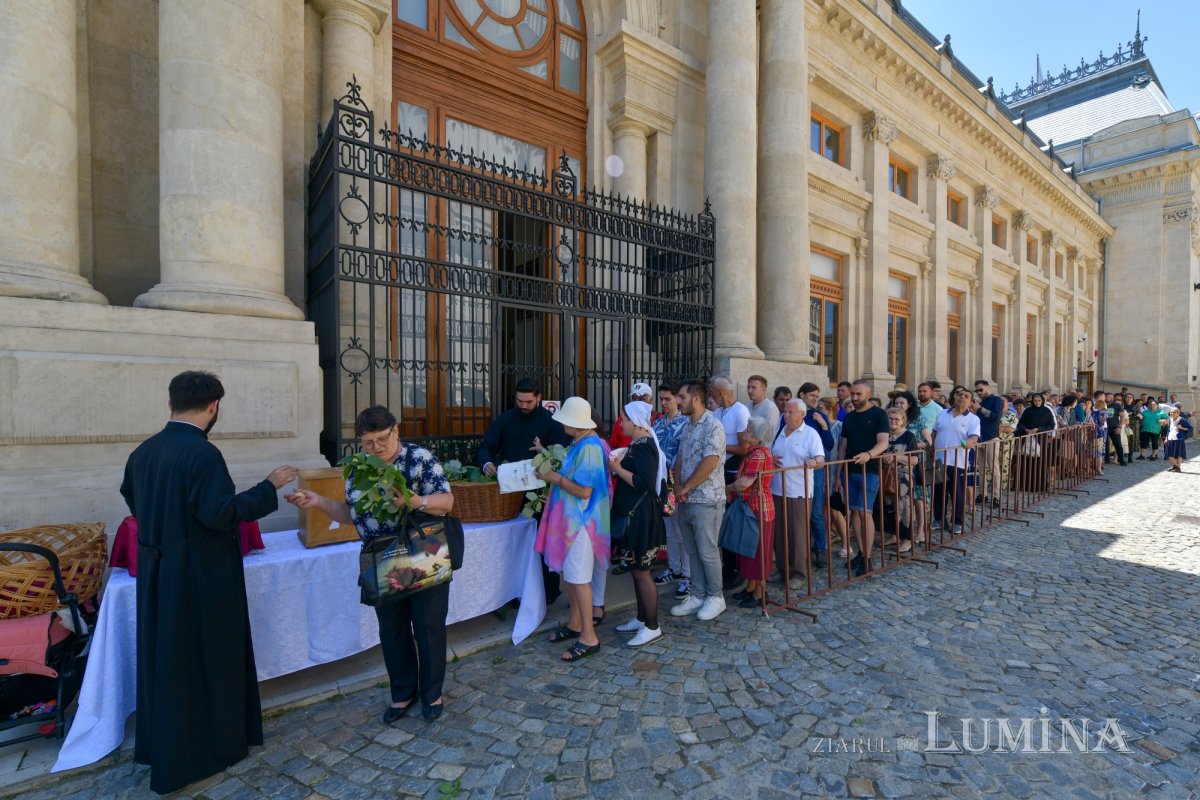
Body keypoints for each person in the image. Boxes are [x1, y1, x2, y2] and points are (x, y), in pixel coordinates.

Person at [121, 371, 298, 794]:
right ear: (214, 406)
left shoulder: (144, 451)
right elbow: (220, 514)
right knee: (205, 660)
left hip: (157, 574)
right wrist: (269, 486)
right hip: (198, 577)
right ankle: (203, 753)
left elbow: (134, 499)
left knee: (167, 663)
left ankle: (165, 750)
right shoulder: (202, 454)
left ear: (170, 405)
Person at [288, 406, 454, 723]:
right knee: (391, 631)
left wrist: (414, 501)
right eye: (367, 442)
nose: (376, 447)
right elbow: (352, 516)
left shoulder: (419, 458)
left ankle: (432, 693)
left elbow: (447, 502)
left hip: (423, 552)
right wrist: (319, 502)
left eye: (381, 439)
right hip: (381, 558)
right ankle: (403, 693)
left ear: (396, 431)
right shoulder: (358, 469)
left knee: (428, 627)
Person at [477, 378, 572, 604]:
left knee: (542, 544)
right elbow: (485, 446)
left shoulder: (552, 422)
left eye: (528, 401)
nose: (523, 405)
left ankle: (547, 592)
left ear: (539, 398)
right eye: (519, 400)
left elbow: (563, 457)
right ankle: (513, 592)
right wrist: (486, 463)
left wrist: (544, 452)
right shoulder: (505, 419)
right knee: (512, 545)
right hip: (509, 495)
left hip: (541, 495)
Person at [534, 397, 611, 661]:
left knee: (579, 579)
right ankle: (576, 624)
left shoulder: (589, 447)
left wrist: (553, 477)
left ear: (575, 424)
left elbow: (583, 491)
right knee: (572, 577)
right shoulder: (581, 442)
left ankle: (589, 637)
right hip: (574, 523)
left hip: (582, 524)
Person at [609, 401, 667, 646]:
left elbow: (644, 482)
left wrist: (617, 469)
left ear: (634, 421)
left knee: (643, 572)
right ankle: (642, 618)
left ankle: (653, 625)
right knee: (636, 570)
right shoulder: (637, 444)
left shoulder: (644, 446)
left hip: (642, 517)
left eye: (623, 419)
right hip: (636, 516)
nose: (621, 424)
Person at [670, 380, 728, 622]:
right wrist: (677, 487)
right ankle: (698, 593)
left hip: (707, 499)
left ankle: (716, 596)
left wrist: (687, 486)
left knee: (707, 550)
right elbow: (681, 457)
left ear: (695, 398)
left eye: (681, 397)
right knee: (692, 550)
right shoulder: (688, 426)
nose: (678, 401)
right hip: (686, 498)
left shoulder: (713, 426)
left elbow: (710, 461)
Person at [770, 399, 825, 591]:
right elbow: (772, 453)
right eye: (785, 412)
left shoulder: (810, 434)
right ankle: (783, 569)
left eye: (790, 412)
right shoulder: (780, 431)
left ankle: (799, 573)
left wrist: (813, 462)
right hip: (777, 489)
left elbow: (820, 459)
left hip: (798, 492)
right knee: (780, 534)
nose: (786, 415)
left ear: (802, 414)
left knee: (798, 535)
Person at [838, 381, 890, 576]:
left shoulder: (879, 414)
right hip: (849, 471)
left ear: (868, 393)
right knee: (854, 512)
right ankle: (860, 552)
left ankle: (867, 558)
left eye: (859, 394)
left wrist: (868, 455)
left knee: (864, 512)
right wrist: (837, 474)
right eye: (853, 394)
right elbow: (843, 446)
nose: (855, 397)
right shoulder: (849, 418)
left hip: (870, 470)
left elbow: (883, 442)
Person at [726, 417, 777, 608]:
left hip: (757, 508)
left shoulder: (758, 455)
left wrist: (726, 488)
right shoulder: (753, 452)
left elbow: (745, 482)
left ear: (756, 436)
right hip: (751, 506)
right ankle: (750, 587)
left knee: (758, 552)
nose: (745, 432)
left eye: (748, 430)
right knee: (749, 550)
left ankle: (759, 593)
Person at [652, 383, 691, 599]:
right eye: (662, 399)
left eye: (667, 399)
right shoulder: (657, 423)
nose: (664, 403)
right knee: (669, 528)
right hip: (662, 483)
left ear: (677, 398)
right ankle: (674, 568)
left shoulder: (686, 423)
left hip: (678, 482)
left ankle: (688, 574)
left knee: (682, 529)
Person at [931, 387, 980, 535]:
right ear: (954, 397)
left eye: (966, 396)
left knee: (957, 493)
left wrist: (970, 442)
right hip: (939, 459)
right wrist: (931, 451)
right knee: (939, 492)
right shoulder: (942, 414)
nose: (962, 398)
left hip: (958, 461)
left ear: (971, 402)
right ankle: (939, 519)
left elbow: (974, 437)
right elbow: (934, 433)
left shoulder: (973, 418)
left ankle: (957, 522)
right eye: (959, 395)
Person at [798, 382, 834, 568]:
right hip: (795, 471)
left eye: (816, 396)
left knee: (815, 513)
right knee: (796, 515)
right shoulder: (791, 414)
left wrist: (824, 426)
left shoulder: (818, 416)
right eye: (812, 395)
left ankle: (820, 549)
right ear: (802, 395)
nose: (815, 399)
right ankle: (799, 551)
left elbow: (829, 445)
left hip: (816, 470)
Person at [879, 407, 919, 554]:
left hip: (903, 478)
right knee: (889, 506)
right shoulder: (884, 436)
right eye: (890, 419)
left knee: (904, 508)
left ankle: (907, 539)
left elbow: (914, 460)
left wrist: (896, 457)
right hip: (886, 476)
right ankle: (894, 535)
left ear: (903, 420)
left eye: (897, 419)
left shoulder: (909, 436)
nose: (893, 422)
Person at [970, 380, 1007, 509]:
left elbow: (996, 417)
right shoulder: (981, 402)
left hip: (991, 437)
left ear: (988, 388)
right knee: (980, 468)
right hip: (980, 438)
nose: (979, 392)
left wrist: (980, 408)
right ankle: (983, 493)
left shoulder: (996, 400)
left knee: (993, 468)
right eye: (977, 391)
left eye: (981, 389)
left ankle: (996, 496)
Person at [1016, 393, 1055, 493]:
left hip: (1040, 439)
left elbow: (1051, 425)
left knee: (1040, 464)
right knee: (1026, 463)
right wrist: (1025, 429)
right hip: (1027, 438)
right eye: (1035, 401)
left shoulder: (1047, 411)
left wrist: (1039, 429)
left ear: (1042, 401)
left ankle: (1039, 486)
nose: (1037, 403)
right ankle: (1024, 485)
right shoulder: (1028, 410)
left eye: (1039, 401)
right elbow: (1020, 423)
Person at [609, 382, 655, 450]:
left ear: (651, 400)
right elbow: (613, 444)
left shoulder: (659, 420)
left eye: (641, 399)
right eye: (634, 398)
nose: (636, 402)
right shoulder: (622, 419)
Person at [1164, 406, 1191, 472]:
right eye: (1170, 412)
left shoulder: (1183, 420)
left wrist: (1182, 428)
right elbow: (1168, 430)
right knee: (1169, 455)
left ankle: (1177, 467)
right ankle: (1176, 467)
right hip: (1170, 438)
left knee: (1179, 454)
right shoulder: (1170, 420)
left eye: (1173, 412)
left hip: (1179, 439)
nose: (1171, 414)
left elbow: (1190, 428)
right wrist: (1166, 438)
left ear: (1178, 413)